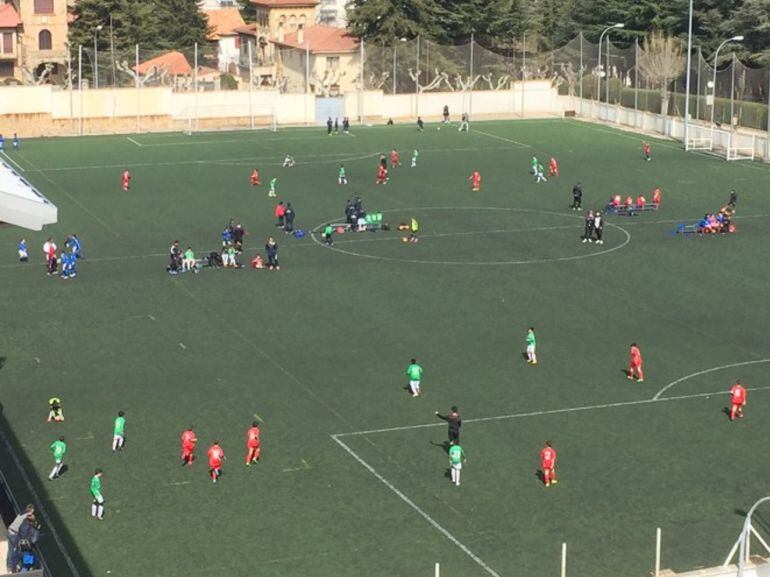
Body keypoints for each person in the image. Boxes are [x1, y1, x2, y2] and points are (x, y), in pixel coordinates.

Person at [6, 505, 35, 573]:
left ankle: (9, 567)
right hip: (15, 535)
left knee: (11, 551)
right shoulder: (26, 518)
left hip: (10, 531)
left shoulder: (21, 513)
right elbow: (23, 532)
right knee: (23, 551)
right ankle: (22, 568)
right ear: (30, 511)